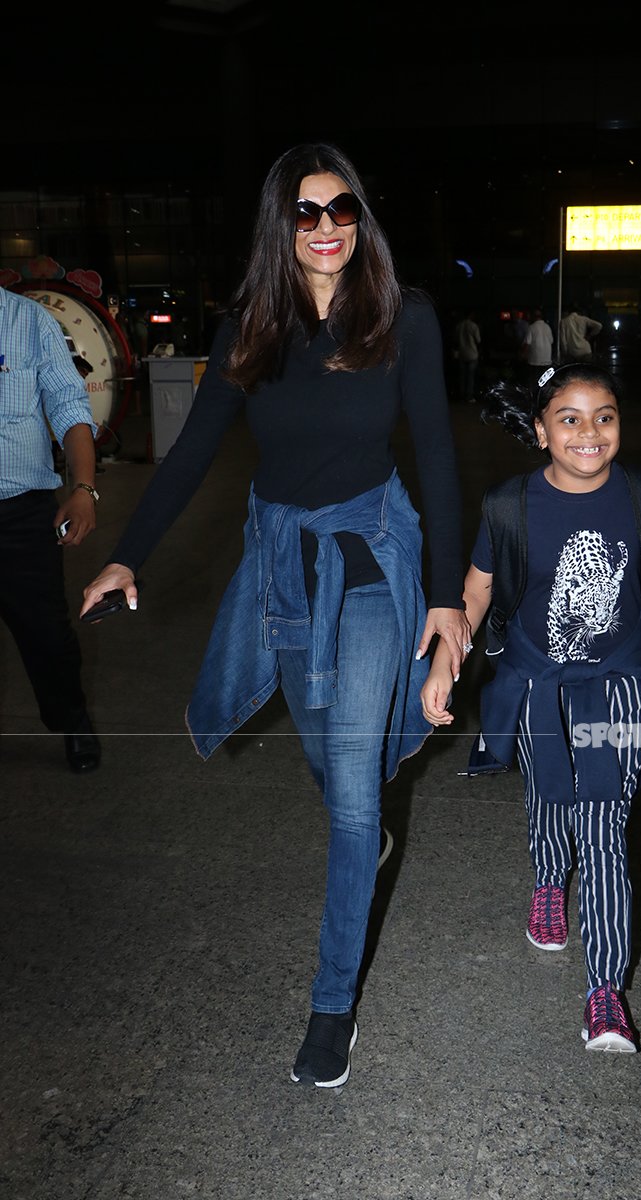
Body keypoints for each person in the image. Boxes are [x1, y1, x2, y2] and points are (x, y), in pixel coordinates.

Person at [79, 142, 471, 1088]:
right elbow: (190, 454)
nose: (328, 228)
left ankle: (331, 1007)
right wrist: (128, 551)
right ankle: (362, 814)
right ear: (281, 225)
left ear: (360, 218)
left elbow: (443, 461)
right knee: (332, 766)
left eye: (343, 209)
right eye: (307, 212)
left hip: (375, 558)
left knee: (347, 781)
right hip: (286, 564)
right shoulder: (251, 325)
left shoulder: (402, 317)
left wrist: (450, 600)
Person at [421, 362, 641, 1054]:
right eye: (568, 418)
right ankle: (548, 880)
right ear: (541, 430)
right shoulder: (509, 506)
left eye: (604, 416)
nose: (589, 433)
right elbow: (475, 594)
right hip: (537, 685)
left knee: (604, 829)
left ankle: (604, 992)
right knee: (549, 802)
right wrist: (446, 661)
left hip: (618, 689)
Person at [0, 285, 101, 772]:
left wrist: (83, 488)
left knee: (46, 637)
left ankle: (72, 719)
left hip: (21, 515)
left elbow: (68, 406)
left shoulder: (29, 322)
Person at [520, 306, 553, 388]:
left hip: (535, 361)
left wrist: (522, 355)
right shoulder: (547, 327)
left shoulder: (531, 327)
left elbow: (527, 343)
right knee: (545, 383)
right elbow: (551, 341)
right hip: (547, 360)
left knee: (534, 382)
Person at [455, 308, 481, 402]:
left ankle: (461, 395)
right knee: (471, 377)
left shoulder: (459, 326)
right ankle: (469, 396)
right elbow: (478, 340)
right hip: (472, 354)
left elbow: (456, 340)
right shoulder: (474, 326)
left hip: (462, 353)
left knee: (462, 376)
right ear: (471, 315)